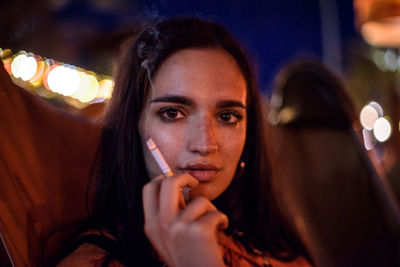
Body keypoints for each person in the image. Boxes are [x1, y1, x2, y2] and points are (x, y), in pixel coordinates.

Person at [56, 17, 311, 267]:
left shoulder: (277, 249)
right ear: (133, 126)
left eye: (227, 116)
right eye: (173, 113)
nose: (205, 143)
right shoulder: (95, 260)